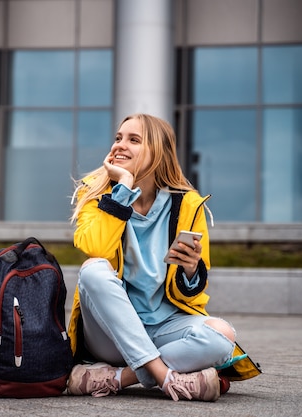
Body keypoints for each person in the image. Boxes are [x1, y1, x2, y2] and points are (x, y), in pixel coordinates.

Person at [66, 113, 237, 402]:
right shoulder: (96, 194)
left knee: (223, 336)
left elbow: (195, 296)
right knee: (93, 269)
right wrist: (123, 189)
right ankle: (167, 377)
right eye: (118, 138)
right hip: (109, 335)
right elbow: (96, 248)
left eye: (134, 140)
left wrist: (192, 270)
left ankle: (117, 378)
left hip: (163, 327)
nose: (120, 145)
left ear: (158, 153)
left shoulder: (187, 204)